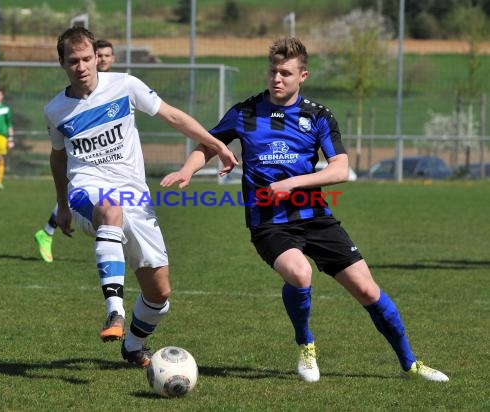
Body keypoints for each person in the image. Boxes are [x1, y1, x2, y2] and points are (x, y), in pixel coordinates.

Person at [161, 37, 449, 382]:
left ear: (303, 76)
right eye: (272, 71)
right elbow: (208, 145)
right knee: (300, 274)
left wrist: (294, 183)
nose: (276, 78)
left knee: (368, 291)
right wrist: (187, 169)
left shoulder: (318, 116)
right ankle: (306, 346)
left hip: (315, 217)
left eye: (285, 72)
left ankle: (410, 365)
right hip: (269, 222)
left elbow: (340, 168)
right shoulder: (245, 112)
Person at [45, 27, 237, 367]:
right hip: (86, 191)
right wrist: (62, 204)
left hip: (137, 199)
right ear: (62, 63)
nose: (82, 67)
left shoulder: (125, 86)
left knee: (159, 294)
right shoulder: (56, 110)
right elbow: (58, 157)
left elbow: (173, 116)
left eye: (87, 58)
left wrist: (217, 144)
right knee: (110, 210)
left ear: (95, 57)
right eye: (73, 61)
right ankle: (114, 313)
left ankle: (133, 345)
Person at [34, 39, 117, 263]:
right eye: (102, 55)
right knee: (80, 198)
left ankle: (48, 231)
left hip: (109, 161)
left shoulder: (116, 86)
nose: (105, 59)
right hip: (83, 160)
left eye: (109, 55)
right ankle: (48, 231)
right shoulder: (77, 92)